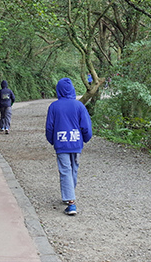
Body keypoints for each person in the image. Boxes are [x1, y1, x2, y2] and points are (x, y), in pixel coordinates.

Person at [45, 77, 92, 216]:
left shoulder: (54, 106)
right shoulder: (79, 106)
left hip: (61, 143)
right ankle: (69, 195)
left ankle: (71, 202)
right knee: (73, 170)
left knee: (65, 170)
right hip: (76, 143)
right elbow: (86, 126)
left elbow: (49, 127)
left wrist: (52, 140)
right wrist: (85, 139)